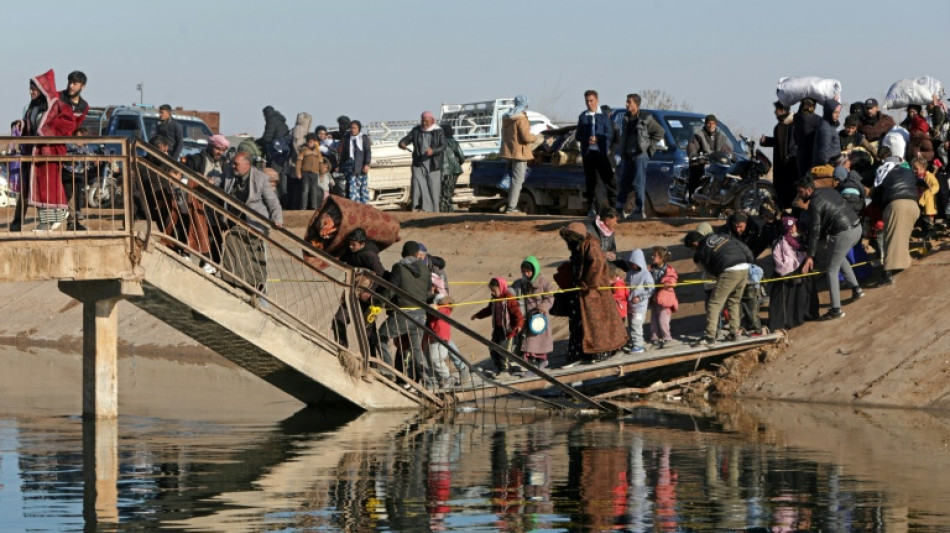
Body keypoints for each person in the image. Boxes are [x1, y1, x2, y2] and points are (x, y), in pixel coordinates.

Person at [556, 221, 628, 365]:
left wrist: (587, 283)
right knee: (578, 324)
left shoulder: (592, 246)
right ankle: (579, 354)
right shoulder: (578, 246)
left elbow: (597, 265)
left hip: (594, 294)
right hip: (580, 293)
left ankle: (601, 352)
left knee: (597, 325)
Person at [24, 70, 86, 232]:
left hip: (57, 151)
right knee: (40, 186)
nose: (71, 86)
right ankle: (46, 222)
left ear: (82, 86)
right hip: (40, 152)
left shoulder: (68, 105)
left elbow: (71, 124)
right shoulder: (41, 104)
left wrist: (48, 132)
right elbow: (30, 122)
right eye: (70, 82)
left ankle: (66, 219)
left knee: (63, 187)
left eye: (75, 83)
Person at [214, 151, 284, 293]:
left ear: (247, 165)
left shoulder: (261, 178)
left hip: (254, 225)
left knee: (255, 259)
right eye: (233, 163)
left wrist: (277, 219)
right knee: (231, 253)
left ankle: (258, 291)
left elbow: (273, 202)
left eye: (236, 164)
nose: (233, 166)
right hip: (233, 223)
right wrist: (207, 181)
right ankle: (231, 287)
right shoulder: (229, 172)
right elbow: (219, 181)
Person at [797, 178, 864, 319]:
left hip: (844, 232)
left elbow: (815, 230)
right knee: (838, 258)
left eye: (800, 192)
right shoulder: (828, 191)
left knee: (831, 269)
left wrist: (810, 255)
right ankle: (856, 289)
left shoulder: (814, 203)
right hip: (856, 227)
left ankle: (836, 310)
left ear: (808, 190)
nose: (799, 195)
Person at [684, 230, 754, 345]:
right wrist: (750, 261)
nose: (693, 251)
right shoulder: (721, 235)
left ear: (695, 244)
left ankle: (709, 337)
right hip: (744, 266)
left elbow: (710, 271)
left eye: (692, 248)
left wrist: (720, 277)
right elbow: (743, 246)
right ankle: (734, 333)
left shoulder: (701, 250)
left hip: (729, 270)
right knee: (734, 301)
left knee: (714, 303)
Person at [377, 241, 431, 380]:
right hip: (420, 314)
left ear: (403, 253)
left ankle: (389, 372)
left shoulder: (399, 267)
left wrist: (378, 304)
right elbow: (428, 292)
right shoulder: (426, 269)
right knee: (417, 349)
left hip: (404, 314)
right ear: (416, 254)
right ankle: (428, 380)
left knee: (381, 337)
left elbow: (391, 290)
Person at [873, 160, 919, 285]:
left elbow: (877, 197)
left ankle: (886, 274)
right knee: (903, 237)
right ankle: (902, 263)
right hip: (914, 205)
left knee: (890, 239)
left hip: (896, 205)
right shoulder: (907, 172)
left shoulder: (883, 174)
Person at [619, 93, 665, 219]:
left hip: (640, 155)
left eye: (629, 102)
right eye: (627, 102)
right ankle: (619, 209)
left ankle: (639, 211)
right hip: (628, 156)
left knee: (639, 183)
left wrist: (649, 147)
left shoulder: (645, 118)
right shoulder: (626, 118)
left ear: (636, 104)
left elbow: (660, 132)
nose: (627, 104)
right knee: (624, 183)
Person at [767, 216, 817, 331]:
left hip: (802, 272)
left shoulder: (804, 237)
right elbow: (779, 260)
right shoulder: (780, 242)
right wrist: (788, 269)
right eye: (789, 227)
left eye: (793, 226)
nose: (792, 229)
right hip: (786, 276)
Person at [471, 277, 524, 376]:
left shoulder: (509, 298)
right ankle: (499, 367)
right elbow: (488, 310)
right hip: (498, 329)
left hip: (508, 331)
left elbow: (518, 314)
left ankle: (505, 370)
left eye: (494, 290)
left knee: (504, 351)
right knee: (493, 348)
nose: (493, 293)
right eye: (491, 290)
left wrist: (519, 325)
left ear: (501, 288)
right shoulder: (494, 300)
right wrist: (477, 315)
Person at [576, 90, 616, 216]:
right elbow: (578, 135)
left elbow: (609, 134)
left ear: (597, 100)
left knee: (610, 181)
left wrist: (598, 139)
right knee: (592, 182)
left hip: (602, 154)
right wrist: (587, 139)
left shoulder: (604, 116)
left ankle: (615, 208)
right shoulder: (583, 116)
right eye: (587, 101)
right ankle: (594, 209)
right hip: (589, 154)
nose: (589, 103)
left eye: (591, 100)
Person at [511, 255, 554, 370]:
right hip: (527, 317)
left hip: (539, 318)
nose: (526, 274)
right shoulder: (521, 283)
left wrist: (543, 306)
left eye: (528, 271)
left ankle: (542, 361)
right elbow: (511, 290)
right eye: (523, 271)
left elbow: (550, 297)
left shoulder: (544, 283)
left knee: (538, 341)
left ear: (534, 270)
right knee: (528, 342)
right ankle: (531, 364)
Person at [399, 111, 445, 212]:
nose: (424, 123)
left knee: (433, 187)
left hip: (433, 164)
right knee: (417, 184)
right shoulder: (416, 130)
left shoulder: (438, 131)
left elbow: (442, 146)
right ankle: (417, 208)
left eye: (426, 121)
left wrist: (433, 151)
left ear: (432, 120)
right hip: (418, 163)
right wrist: (402, 143)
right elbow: (406, 139)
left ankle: (433, 211)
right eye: (423, 121)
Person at [498, 94, 537, 214]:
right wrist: (535, 137)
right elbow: (526, 137)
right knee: (517, 181)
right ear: (525, 105)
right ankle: (512, 207)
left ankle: (509, 204)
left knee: (510, 180)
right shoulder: (521, 118)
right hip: (519, 153)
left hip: (509, 152)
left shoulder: (506, 117)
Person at [760, 100, 798, 210]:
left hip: (790, 165)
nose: (774, 112)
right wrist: (766, 141)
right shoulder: (780, 126)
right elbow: (779, 142)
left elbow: (793, 145)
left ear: (781, 111)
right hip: (781, 165)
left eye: (776, 110)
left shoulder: (794, 124)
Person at [623, 249, 654, 354]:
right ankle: (637, 342)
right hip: (630, 304)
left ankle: (638, 346)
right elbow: (628, 286)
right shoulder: (629, 273)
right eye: (631, 263)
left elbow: (651, 289)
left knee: (637, 324)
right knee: (632, 324)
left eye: (634, 263)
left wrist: (640, 298)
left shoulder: (646, 274)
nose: (632, 265)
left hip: (640, 306)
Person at [648, 246, 678, 348]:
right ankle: (655, 338)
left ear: (661, 258)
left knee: (663, 320)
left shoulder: (668, 269)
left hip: (664, 299)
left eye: (655, 255)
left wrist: (667, 282)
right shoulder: (651, 269)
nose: (652, 257)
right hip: (654, 298)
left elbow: (672, 278)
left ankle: (667, 338)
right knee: (653, 320)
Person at [340, 120, 372, 204]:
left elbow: (367, 151)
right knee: (351, 186)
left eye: (355, 128)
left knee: (361, 187)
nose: (352, 130)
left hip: (360, 166)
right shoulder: (347, 138)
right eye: (351, 128)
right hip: (349, 167)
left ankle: (362, 205)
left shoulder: (364, 138)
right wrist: (340, 165)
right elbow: (343, 153)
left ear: (359, 129)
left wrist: (367, 164)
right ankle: (353, 204)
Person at [296, 133, 327, 210]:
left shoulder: (318, 152)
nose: (311, 143)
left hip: (315, 173)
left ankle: (314, 206)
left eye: (313, 142)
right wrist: (298, 172)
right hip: (305, 173)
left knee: (314, 190)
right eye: (309, 142)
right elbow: (299, 162)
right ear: (307, 142)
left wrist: (322, 173)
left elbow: (321, 163)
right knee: (305, 190)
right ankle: (303, 207)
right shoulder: (303, 151)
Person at [792, 99, 822, 180]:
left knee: (803, 180)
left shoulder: (796, 118)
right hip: (811, 155)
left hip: (800, 155)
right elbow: (833, 124)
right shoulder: (814, 119)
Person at [912, 156, 939, 242]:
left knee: (928, 220)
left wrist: (929, 192)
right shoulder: (915, 177)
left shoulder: (929, 176)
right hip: (919, 201)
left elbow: (936, 186)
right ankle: (925, 233)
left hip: (927, 202)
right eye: (913, 169)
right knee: (922, 219)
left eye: (916, 169)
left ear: (923, 167)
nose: (914, 171)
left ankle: (930, 234)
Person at [439, 124, 465, 213]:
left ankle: (445, 210)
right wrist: (457, 164)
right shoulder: (454, 142)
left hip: (442, 170)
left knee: (443, 192)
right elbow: (462, 157)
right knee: (448, 192)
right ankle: (448, 210)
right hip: (454, 170)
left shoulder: (437, 143)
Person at [813, 99, 842, 167]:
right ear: (829, 112)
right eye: (835, 112)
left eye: (838, 112)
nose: (837, 115)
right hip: (828, 165)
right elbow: (823, 153)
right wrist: (827, 167)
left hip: (832, 163)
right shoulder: (826, 129)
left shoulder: (829, 125)